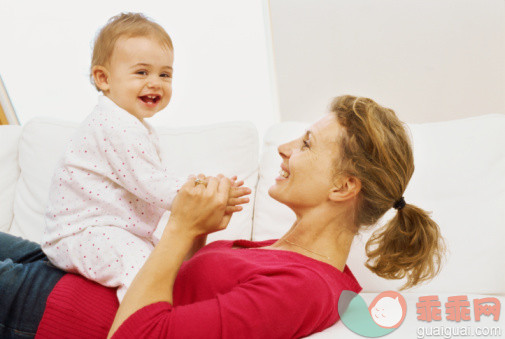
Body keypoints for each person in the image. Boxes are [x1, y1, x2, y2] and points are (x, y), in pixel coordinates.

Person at [0, 95, 445, 338]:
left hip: (44, 310)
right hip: (60, 266)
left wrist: (181, 226)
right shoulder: (286, 253)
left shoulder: (303, 289)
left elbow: (139, 333)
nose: (287, 149)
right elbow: (182, 288)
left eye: (307, 144)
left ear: (343, 188)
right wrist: (199, 234)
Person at [40, 12, 250, 302]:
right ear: (104, 78)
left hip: (110, 228)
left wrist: (200, 192)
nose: (155, 83)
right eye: (142, 72)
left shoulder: (133, 126)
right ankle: (143, 322)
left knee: (158, 260)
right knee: (138, 265)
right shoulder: (113, 124)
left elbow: (150, 181)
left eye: (165, 74)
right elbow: (152, 185)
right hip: (81, 234)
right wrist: (201, 192)